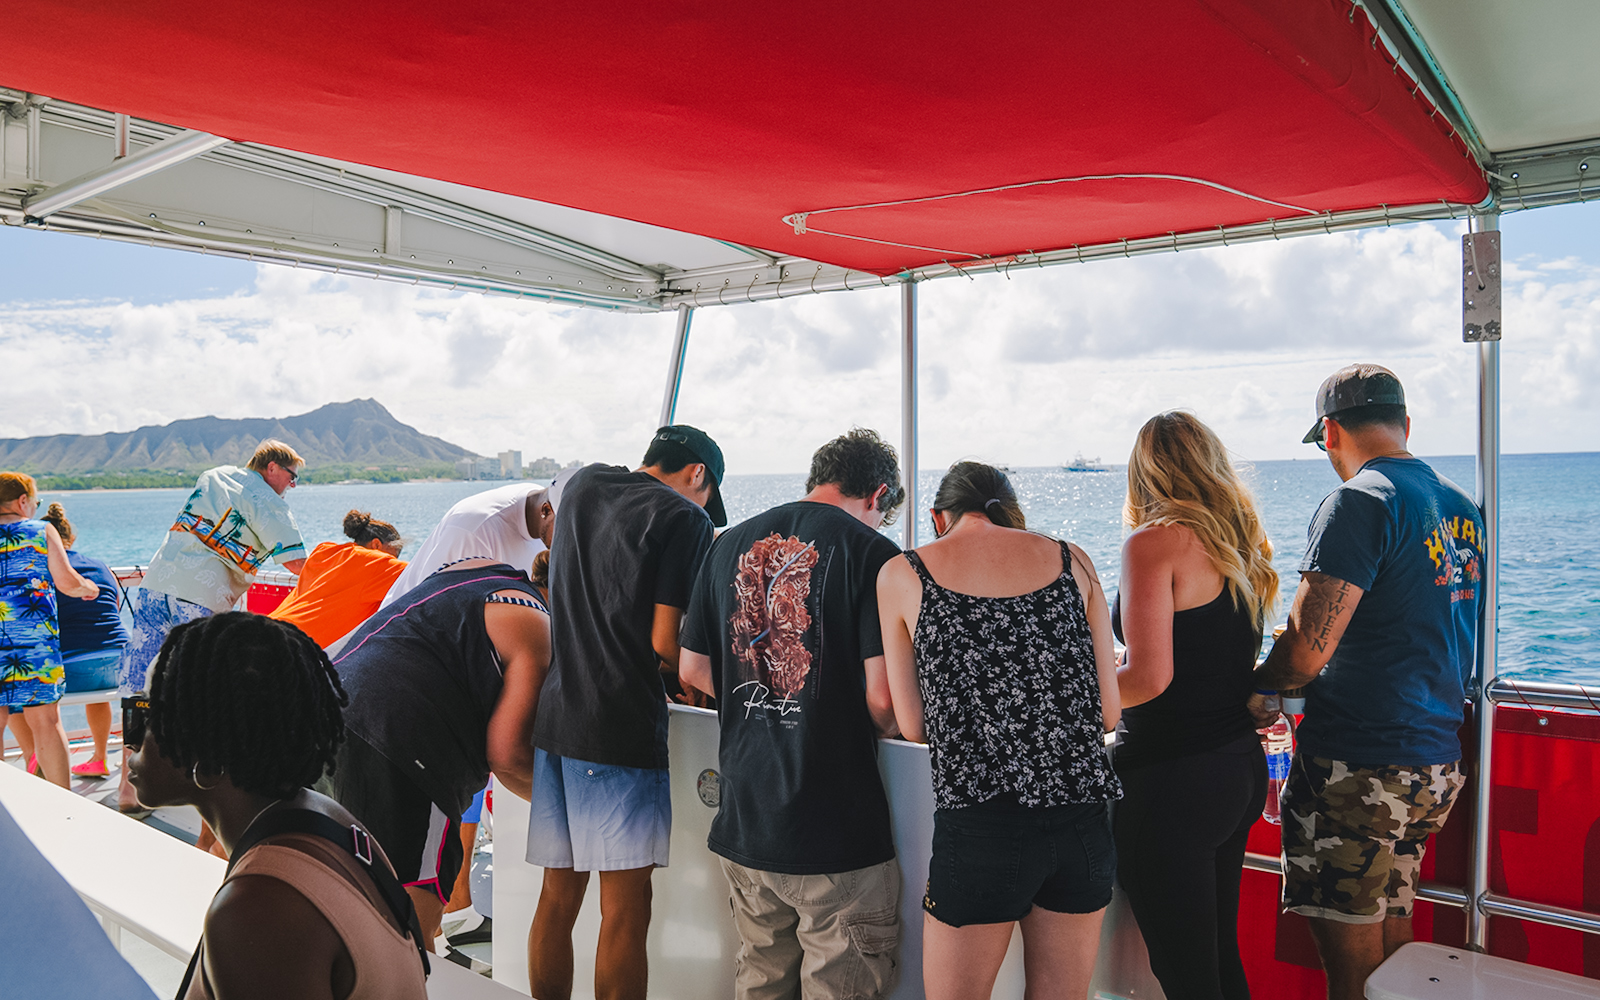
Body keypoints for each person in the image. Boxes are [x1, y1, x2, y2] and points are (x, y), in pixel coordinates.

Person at [1248, 365, 1483, 1000]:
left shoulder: (1358, 499)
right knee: (1392, 947)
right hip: (1435, 762)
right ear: (1405, 424)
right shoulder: (1461, 505)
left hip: (1360, 766)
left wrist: (1256, 686)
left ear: (1329, 432)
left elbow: (1306, 648)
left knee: (1350, 971)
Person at [877, 461, 1122, 1000]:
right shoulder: (1071, 560)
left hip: (981, 827)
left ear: (939, 516)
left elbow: (914, 724)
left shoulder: (904, 572)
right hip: (1080, 823)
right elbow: (1107, 712)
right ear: (1008, 509)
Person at [679, 428, 907, 1000]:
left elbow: (693, 667)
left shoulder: (727, 544)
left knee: (761, 983)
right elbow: (882, 701)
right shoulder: (872, 553)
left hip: (747, 821)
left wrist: (767, 695)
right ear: (878, 494)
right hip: (833, 830)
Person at [123, 613, 429, 1000]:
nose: (131, 737)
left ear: (207, 753)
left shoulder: (258, 909)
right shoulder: (326, 821)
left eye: (147, 715)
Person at [526, 425, 723, 1000]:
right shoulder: (687, 519)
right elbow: (667, 642)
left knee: (557, 899)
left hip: (558, 719)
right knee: (625, 911)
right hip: (618, 728)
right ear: (697, 476)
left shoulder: (584, 484)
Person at [1113, 412, 1278, 1000]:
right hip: (1235, 770)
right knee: (1214, 962)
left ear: (1144, 473)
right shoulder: (1237, 544)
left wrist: (1070, 695)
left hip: (1171, 777)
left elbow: (1150, 679)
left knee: (1186, 978)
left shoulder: (1151, 543)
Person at [324, 556, 550, 952]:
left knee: (339, 893)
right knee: (410, 932)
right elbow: (508, 755)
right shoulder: (536, 624)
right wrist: (566, 802)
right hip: (403, 743)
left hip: (327, 705)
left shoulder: (475, 568)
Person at [117, 440, 308, 811]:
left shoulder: (214, 475)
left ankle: (128, 789)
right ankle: (198, 787)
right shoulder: (267, 499)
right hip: (200, 594)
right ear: (271, 467)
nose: (293, 484)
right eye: (292, 475)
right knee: (201, 688)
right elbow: (298, 562)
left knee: (140, 685)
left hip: (157, 585)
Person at [0, 473, 100, 788]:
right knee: (45, 720)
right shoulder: (40, 530)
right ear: (22, 501)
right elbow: (66, 580)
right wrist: (89, 587)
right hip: (34, 643)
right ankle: (64, 807)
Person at [42, 502, 131, 778]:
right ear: (72, 538)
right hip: (120, 662)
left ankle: (40, 763)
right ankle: (100, 757)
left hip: (75, 669)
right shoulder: (101, 566)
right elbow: (112, 606)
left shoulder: (46, 570)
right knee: (97, 693)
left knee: (28, 696)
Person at [379, 478, 560, 608]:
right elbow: (436, 611)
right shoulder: (473, 530)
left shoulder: (542, 502)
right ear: (546, 510)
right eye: (566, 529)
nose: (569, 540)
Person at [270, 510, 406, 648]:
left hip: (265, 629)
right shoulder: (377, 564)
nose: (392, 561)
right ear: (376, 545)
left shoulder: (324, 552)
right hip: (292, 648)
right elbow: (421, 574)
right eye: (393, 556)